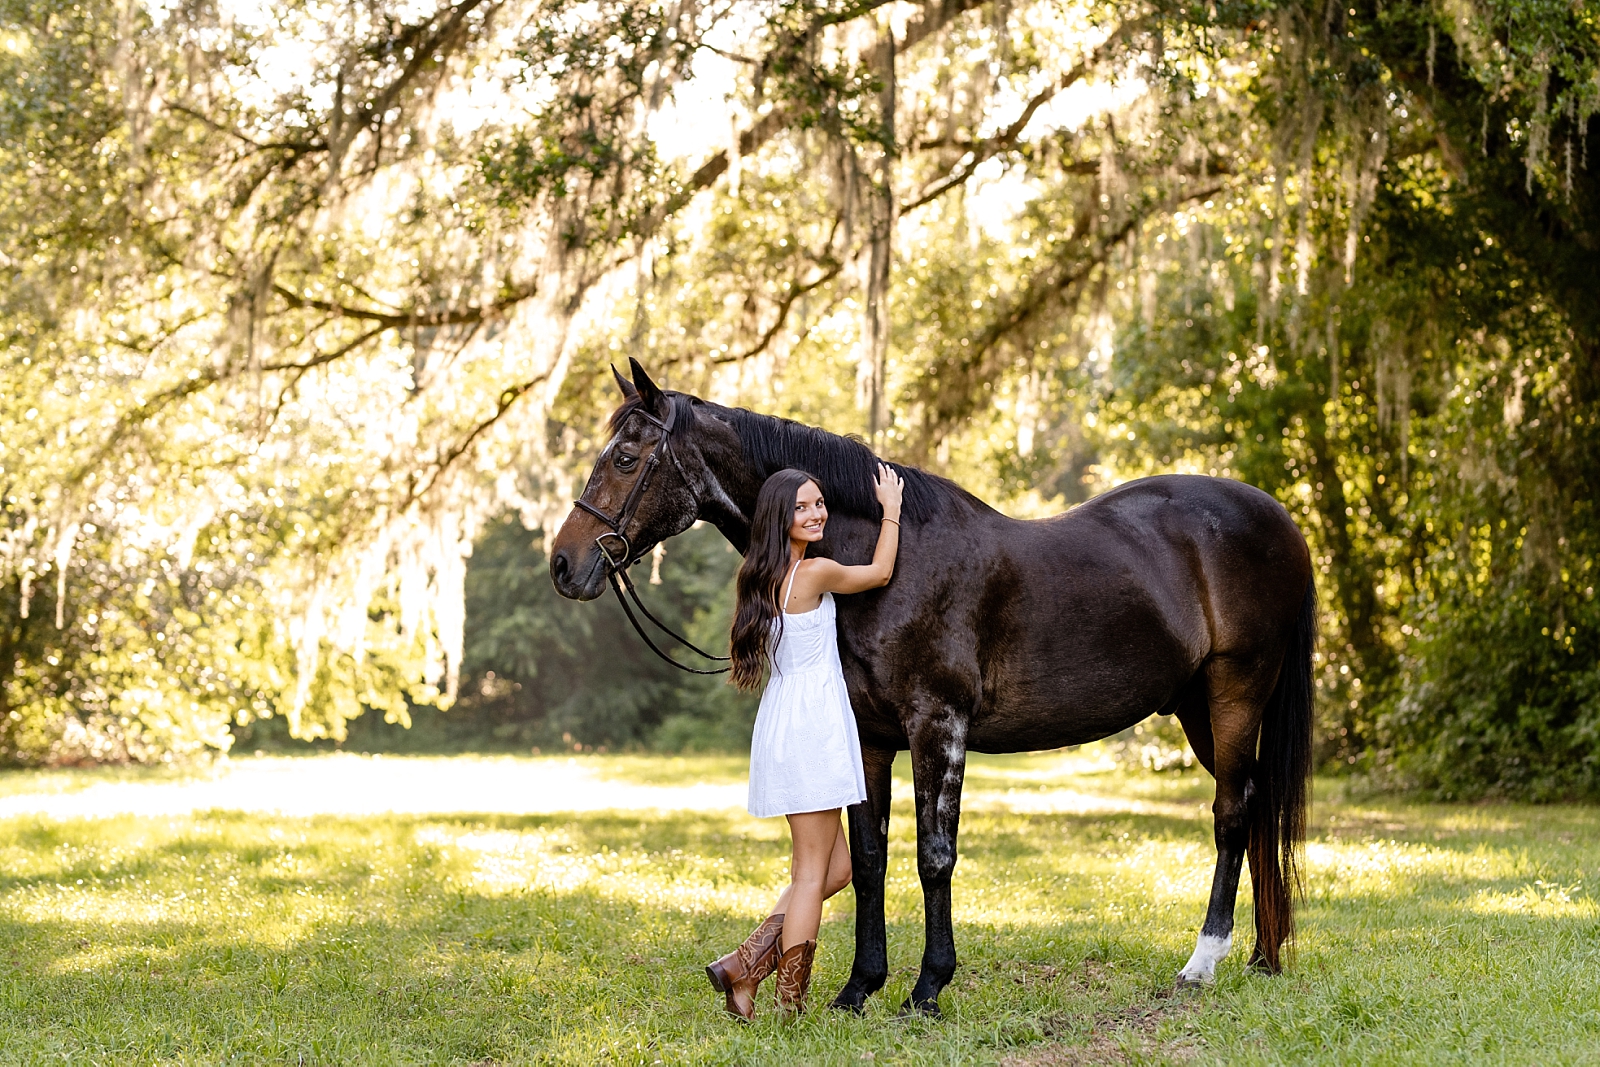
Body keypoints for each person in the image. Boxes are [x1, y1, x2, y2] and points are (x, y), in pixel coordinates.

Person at [704, 463, 904, 1020]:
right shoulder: (812, 573)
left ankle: (743, 967)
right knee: (812, 873)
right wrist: (890, 508)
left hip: (789, 721)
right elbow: (881, 572)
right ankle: (789, 1003)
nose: (816, 513)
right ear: (780, 518)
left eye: (819, 503)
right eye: (802, 507)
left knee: (833, 870)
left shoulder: (760, 575)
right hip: (812, 727)